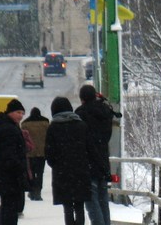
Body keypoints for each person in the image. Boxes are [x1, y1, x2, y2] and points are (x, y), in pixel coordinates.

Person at [45, 96, 99, 225]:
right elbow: (91, 149)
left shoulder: (53, 128)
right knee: (79, 205)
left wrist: (57, 165)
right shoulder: (81, 125)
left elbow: (49, 153)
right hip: (81, 171)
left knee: (67, 206)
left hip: (62, 173)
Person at [75, 85, 115, 225]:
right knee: (103, 201)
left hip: (87, 162)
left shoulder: (80, 114)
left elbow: (80, 139)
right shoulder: (106, 111)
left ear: (82, 99)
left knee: (92, 201)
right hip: (103, 160)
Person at [0, 99, 31, 225]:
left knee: (7, 208)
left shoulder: (5, 126)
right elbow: (10, 156)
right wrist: (19, 170)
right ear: (10, 112)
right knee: (10, 210)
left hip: (5, 176)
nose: (20, 116)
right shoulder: (9, 130)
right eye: (18, 112)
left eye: (22, 113)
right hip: (9, 177)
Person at [21, 107, 50, 201]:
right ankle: (38, 192)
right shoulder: (46, 123)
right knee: (40, 173)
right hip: (42, 153)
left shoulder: (25, 124)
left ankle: (32, 191)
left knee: (31, 173)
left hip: (30, 153)